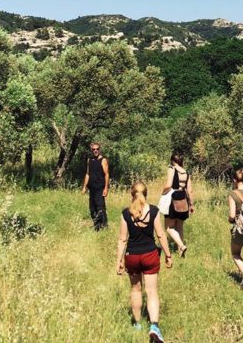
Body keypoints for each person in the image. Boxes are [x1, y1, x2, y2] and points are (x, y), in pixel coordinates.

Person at [117, 181, 173, 343]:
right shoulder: (154, 211)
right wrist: (168, 254)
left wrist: (118, 260)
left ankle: (137, 325)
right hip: (150, 255)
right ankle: (154, 327)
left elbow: (122, 239)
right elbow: (161, 235)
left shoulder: (126, 213)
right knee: (152, 291)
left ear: (131, 194)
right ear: (146, 194)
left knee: (135, 290)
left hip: (132, 256)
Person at [162, 152, 194, 257]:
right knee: (180, 226)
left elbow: (169, 185)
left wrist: (163, 192)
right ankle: (180, 252)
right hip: (184, 199)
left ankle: (181, 245)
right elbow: (190, 190)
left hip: (173, 198)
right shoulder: (187, 173)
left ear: (172, 161)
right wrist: (191, 205)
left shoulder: (171, 169)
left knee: (169, 227)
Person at [81, 142, 109, 230]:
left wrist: (106, 188)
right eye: (94, 149)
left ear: (99, 150)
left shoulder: (103, 160)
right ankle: (96, 226)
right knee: (92, 208)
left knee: (100, 207)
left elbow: (106, 174)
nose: (95, 151)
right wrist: (84, 187)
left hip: (100, 188)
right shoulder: (90, 160)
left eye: (97, 149)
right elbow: (88, 174)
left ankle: (104, 226)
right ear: (91, 150)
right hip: (92, 188)